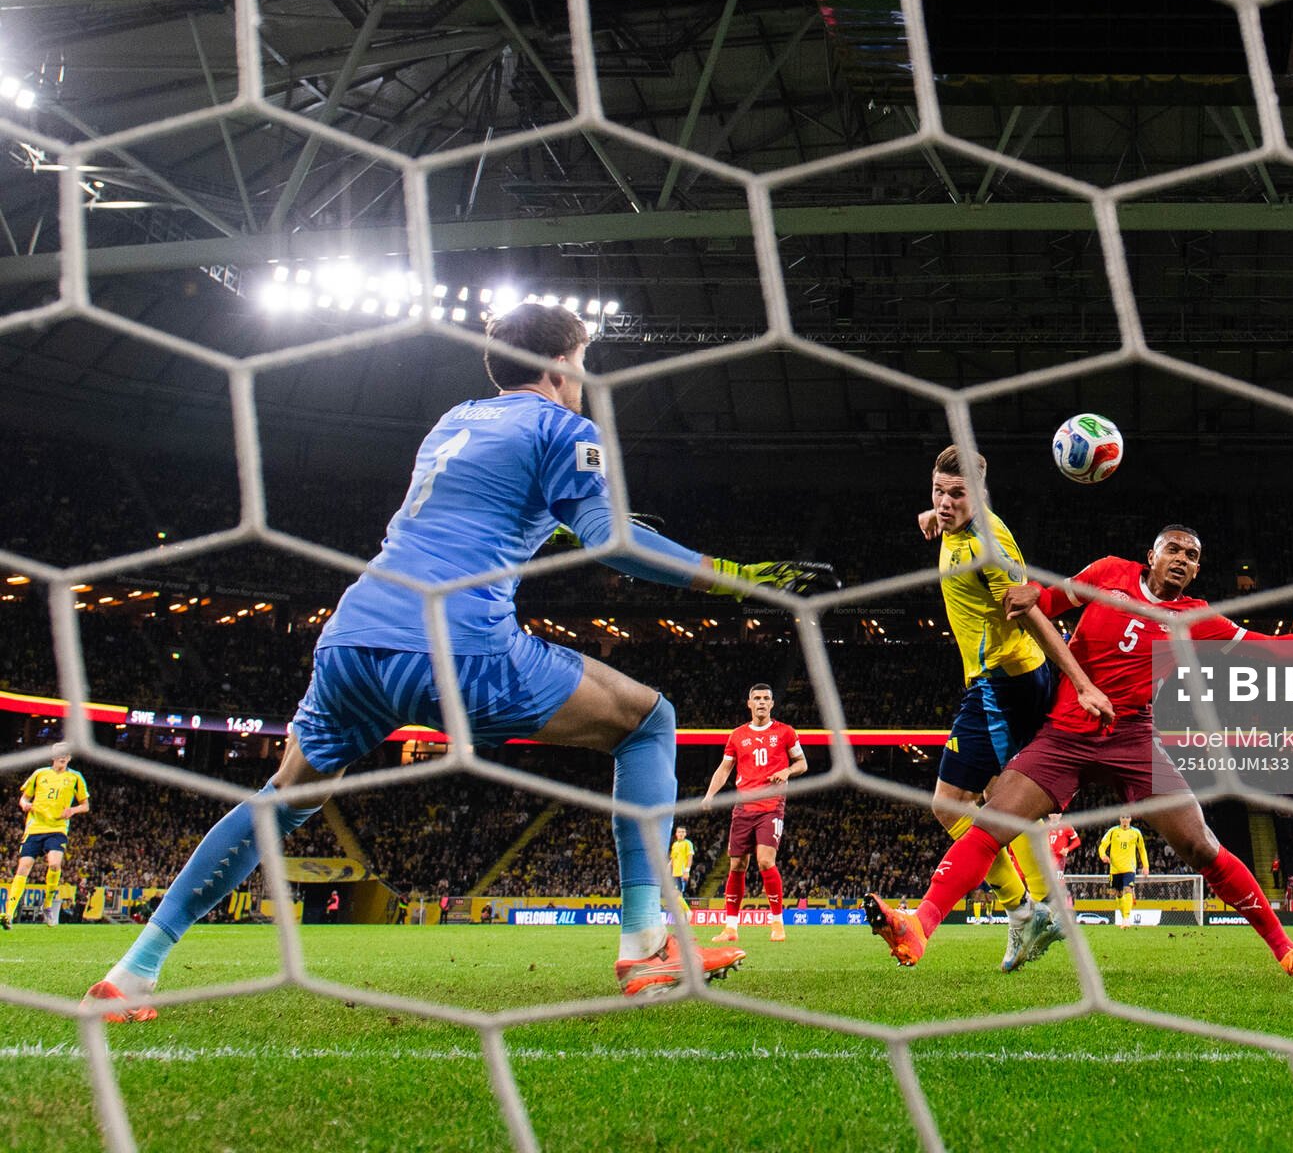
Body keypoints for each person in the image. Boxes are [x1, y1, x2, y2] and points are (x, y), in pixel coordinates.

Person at [83, 302, 836, 1022]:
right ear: (555, 364)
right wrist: (741, 578)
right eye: (581, 362)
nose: (583, 379)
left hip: (353, 639)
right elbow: (613, 541)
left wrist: (570, 520)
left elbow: (474, 517)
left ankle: (135, 969)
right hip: (459, 648)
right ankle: (643, 948)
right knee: (648, 722)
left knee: (282, 797)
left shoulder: (454, 422)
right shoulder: (562, 425)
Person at [862, 525, 1293, 979]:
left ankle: (1288, 951)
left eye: (1192, 557)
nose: (1183, 561)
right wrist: (1024, 593)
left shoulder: (1195, 616)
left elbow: (1270, 649)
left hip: (1133, 738)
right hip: (1065, 732)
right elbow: (1043, 605)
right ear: (1152, 555)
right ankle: (919, 926)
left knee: (1201, 847)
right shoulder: (1107, 574)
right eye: (1175, 550)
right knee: (989, 826)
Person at [916, 445, 1113, 973]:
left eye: (958, 494)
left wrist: (1082, 683)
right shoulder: (953, 522)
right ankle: (1037, 910)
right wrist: (936, 515)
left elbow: (1030, 614)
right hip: (992, 680)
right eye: (939, 490)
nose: (946, 501)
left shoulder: (989, 544)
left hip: (1007, 681)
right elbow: (943, 511)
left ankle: (1032, 910)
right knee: (980, 801)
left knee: (967, 805)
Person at [701, 684, 805, 943]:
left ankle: (778, 924)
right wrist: (710, 795)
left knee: (765, 861)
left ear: (772, 704)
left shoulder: (785, 733)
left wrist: (787, 772)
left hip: (771, 807)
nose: (761, 702)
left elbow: (802, 763)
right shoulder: (737, 735)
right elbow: (724, 769)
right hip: (743, 808)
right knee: (737, 865)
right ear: (749, 703)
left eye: (766, 699)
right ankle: (730, 929)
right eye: (756, 698)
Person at [7, 747, 89, 929]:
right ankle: (9, 914)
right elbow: (23, 798)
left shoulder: (75, 777)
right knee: (23, 868)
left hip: (57, 828)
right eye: (60, 754)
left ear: (70, 758)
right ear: (53, 756)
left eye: (66, 754)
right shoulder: (39, 774)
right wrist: (25, 805)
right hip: (35, 827)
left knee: (54, 864)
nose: (63, 757)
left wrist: (72, 810)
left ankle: (47, 905)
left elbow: (85, 805)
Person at [1098, 815, 1148, 928]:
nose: (1125, 819)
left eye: (1127, 817)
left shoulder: (1136, 833)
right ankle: (1123, 917)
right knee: (1118, 895)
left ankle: (1126, 918)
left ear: (1130, 819)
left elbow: (1142, 850)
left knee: (1128, 889)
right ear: (1120, 819)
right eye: (1123, 817)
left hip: (1129, 868)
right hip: (1115, 869)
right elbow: (1102, 846)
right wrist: (1103, 855)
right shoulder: (1113, 831)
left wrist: (1146, 866)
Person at [669, 825, 695, 918]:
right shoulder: (675, 845)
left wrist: (687, 871)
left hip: (682, 872)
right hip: (675, 873)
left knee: (675, 893)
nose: (681, 834)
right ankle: (681, 917)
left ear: (685, 834)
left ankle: (688, 912)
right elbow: (672, 859)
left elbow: (690, 858)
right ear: (676, 834)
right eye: (679, 832)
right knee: (678, 896)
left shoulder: (688, 843)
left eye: (683, 832)